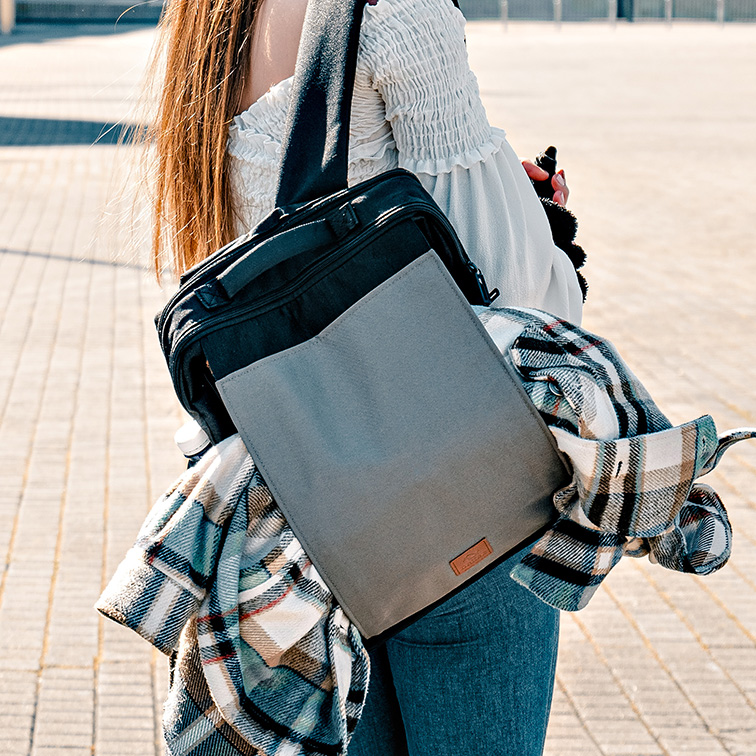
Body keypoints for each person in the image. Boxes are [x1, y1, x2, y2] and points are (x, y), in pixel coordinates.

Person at [145, 0, 585, 753]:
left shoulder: (207, 27)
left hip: (303, 517)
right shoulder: (400, 14)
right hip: (459, 507)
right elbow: (524, 300)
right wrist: (543, 225)